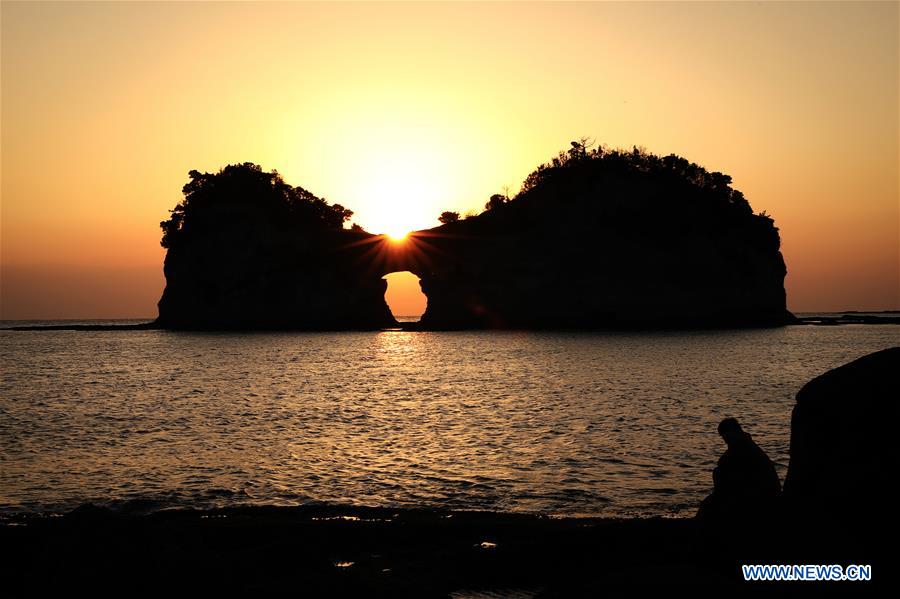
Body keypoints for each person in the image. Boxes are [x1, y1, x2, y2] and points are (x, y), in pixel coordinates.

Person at [697, 418, 781, 523]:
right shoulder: (745, 445)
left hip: (759, 498)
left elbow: (733, 474)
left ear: (731, 433)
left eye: (724, 436)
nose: (724, 440)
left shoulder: (742, 448)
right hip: (759, 494)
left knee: (708, 506)